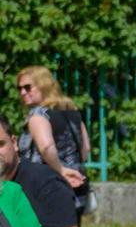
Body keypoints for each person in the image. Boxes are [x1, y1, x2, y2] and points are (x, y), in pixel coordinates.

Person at [15, 66, 91, 212]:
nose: (23, 92)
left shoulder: (38, 115)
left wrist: (61, 170)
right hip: (77, 184)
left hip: (45, 186)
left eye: (27, 87)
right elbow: (85, 149)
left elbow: (46, 147)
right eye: (20, 89)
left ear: (43, 85)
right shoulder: (72, 112)